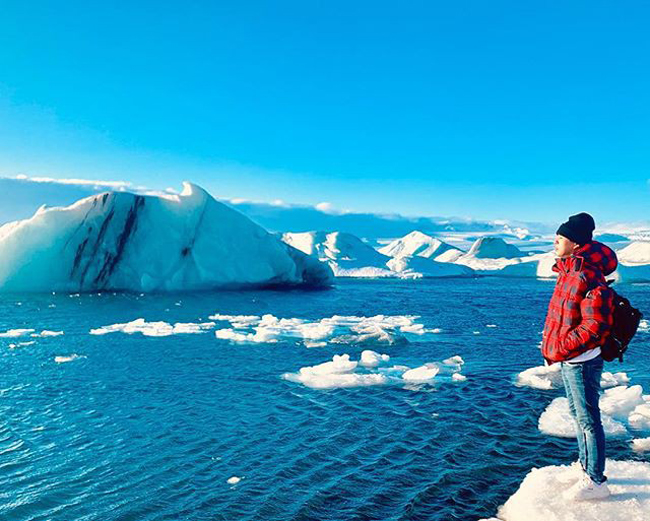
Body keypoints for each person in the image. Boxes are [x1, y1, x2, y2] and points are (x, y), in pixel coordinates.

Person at [541, 212, 618, 501]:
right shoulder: (568, 270)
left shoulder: (586, 275)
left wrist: (562, 346)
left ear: (574, 243)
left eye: (558, 239)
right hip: (571, 357)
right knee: (577, 415)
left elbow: (594, 325)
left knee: (588, 419)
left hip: (582, 359)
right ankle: (586, 468)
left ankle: (596, 481)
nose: (554, 243)